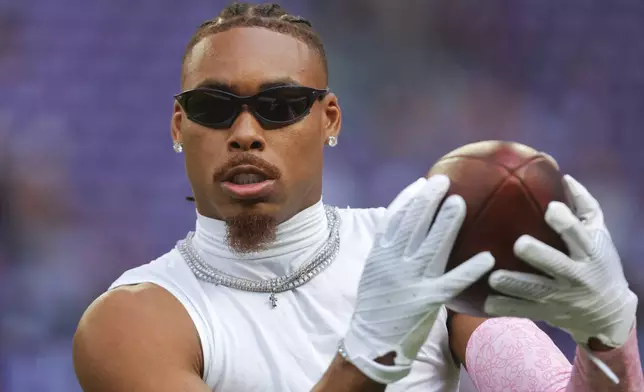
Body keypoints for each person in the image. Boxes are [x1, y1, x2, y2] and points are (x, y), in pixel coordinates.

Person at [72, 3, 643, 391]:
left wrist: (609, 340)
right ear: (178, 127)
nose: (245, 131)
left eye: (280, 106)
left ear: (330, 120)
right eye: (213, 108)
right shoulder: (132, 320)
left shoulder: (421, 250)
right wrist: (369, 355)